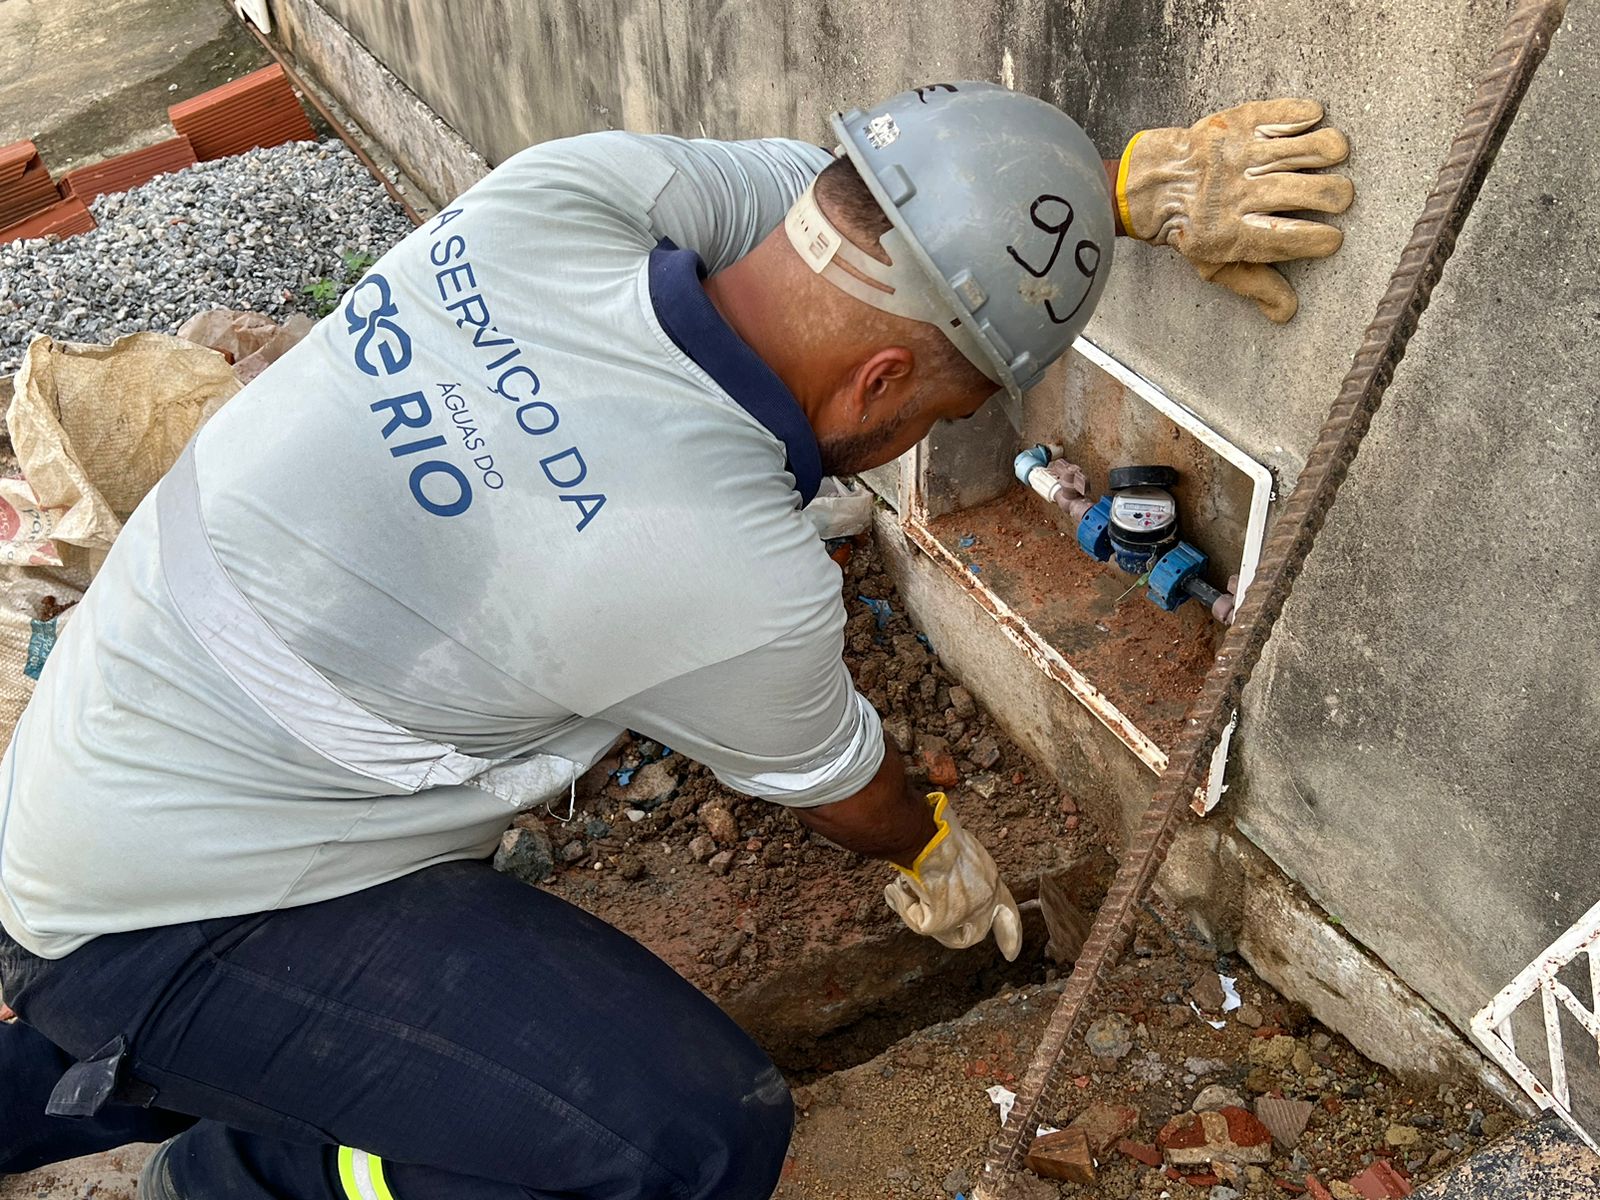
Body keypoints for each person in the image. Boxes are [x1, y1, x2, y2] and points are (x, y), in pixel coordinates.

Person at [0, 83, 1351, 1200]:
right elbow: (859, 798)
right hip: (185, 912)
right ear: (883, 383)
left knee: (84, 1022)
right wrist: (936, 850)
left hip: (93, 778)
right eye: (942, 413)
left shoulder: (567, 193)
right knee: (686, 1140)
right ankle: (244, 1182)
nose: (925, 445)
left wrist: (1098, 200)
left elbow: (862, 203)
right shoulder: (720, 570)